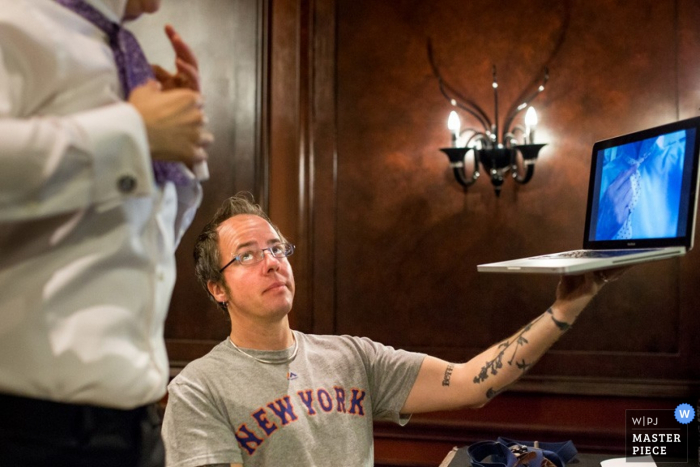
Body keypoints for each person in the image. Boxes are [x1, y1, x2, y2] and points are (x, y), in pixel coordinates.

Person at [160, 194, 625, 467]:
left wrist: (566, 307)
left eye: (277, 249)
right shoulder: (197, 390)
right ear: (217, 288)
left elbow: (471, 383)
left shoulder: (349, 357)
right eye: (247, 254)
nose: (271, 263)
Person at [0, 0, 212, 465]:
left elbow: (137, 246)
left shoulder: (121, 54)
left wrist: (170, 150)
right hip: (28, 433)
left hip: (137, 428)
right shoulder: (12, 22)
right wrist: (132, 135)